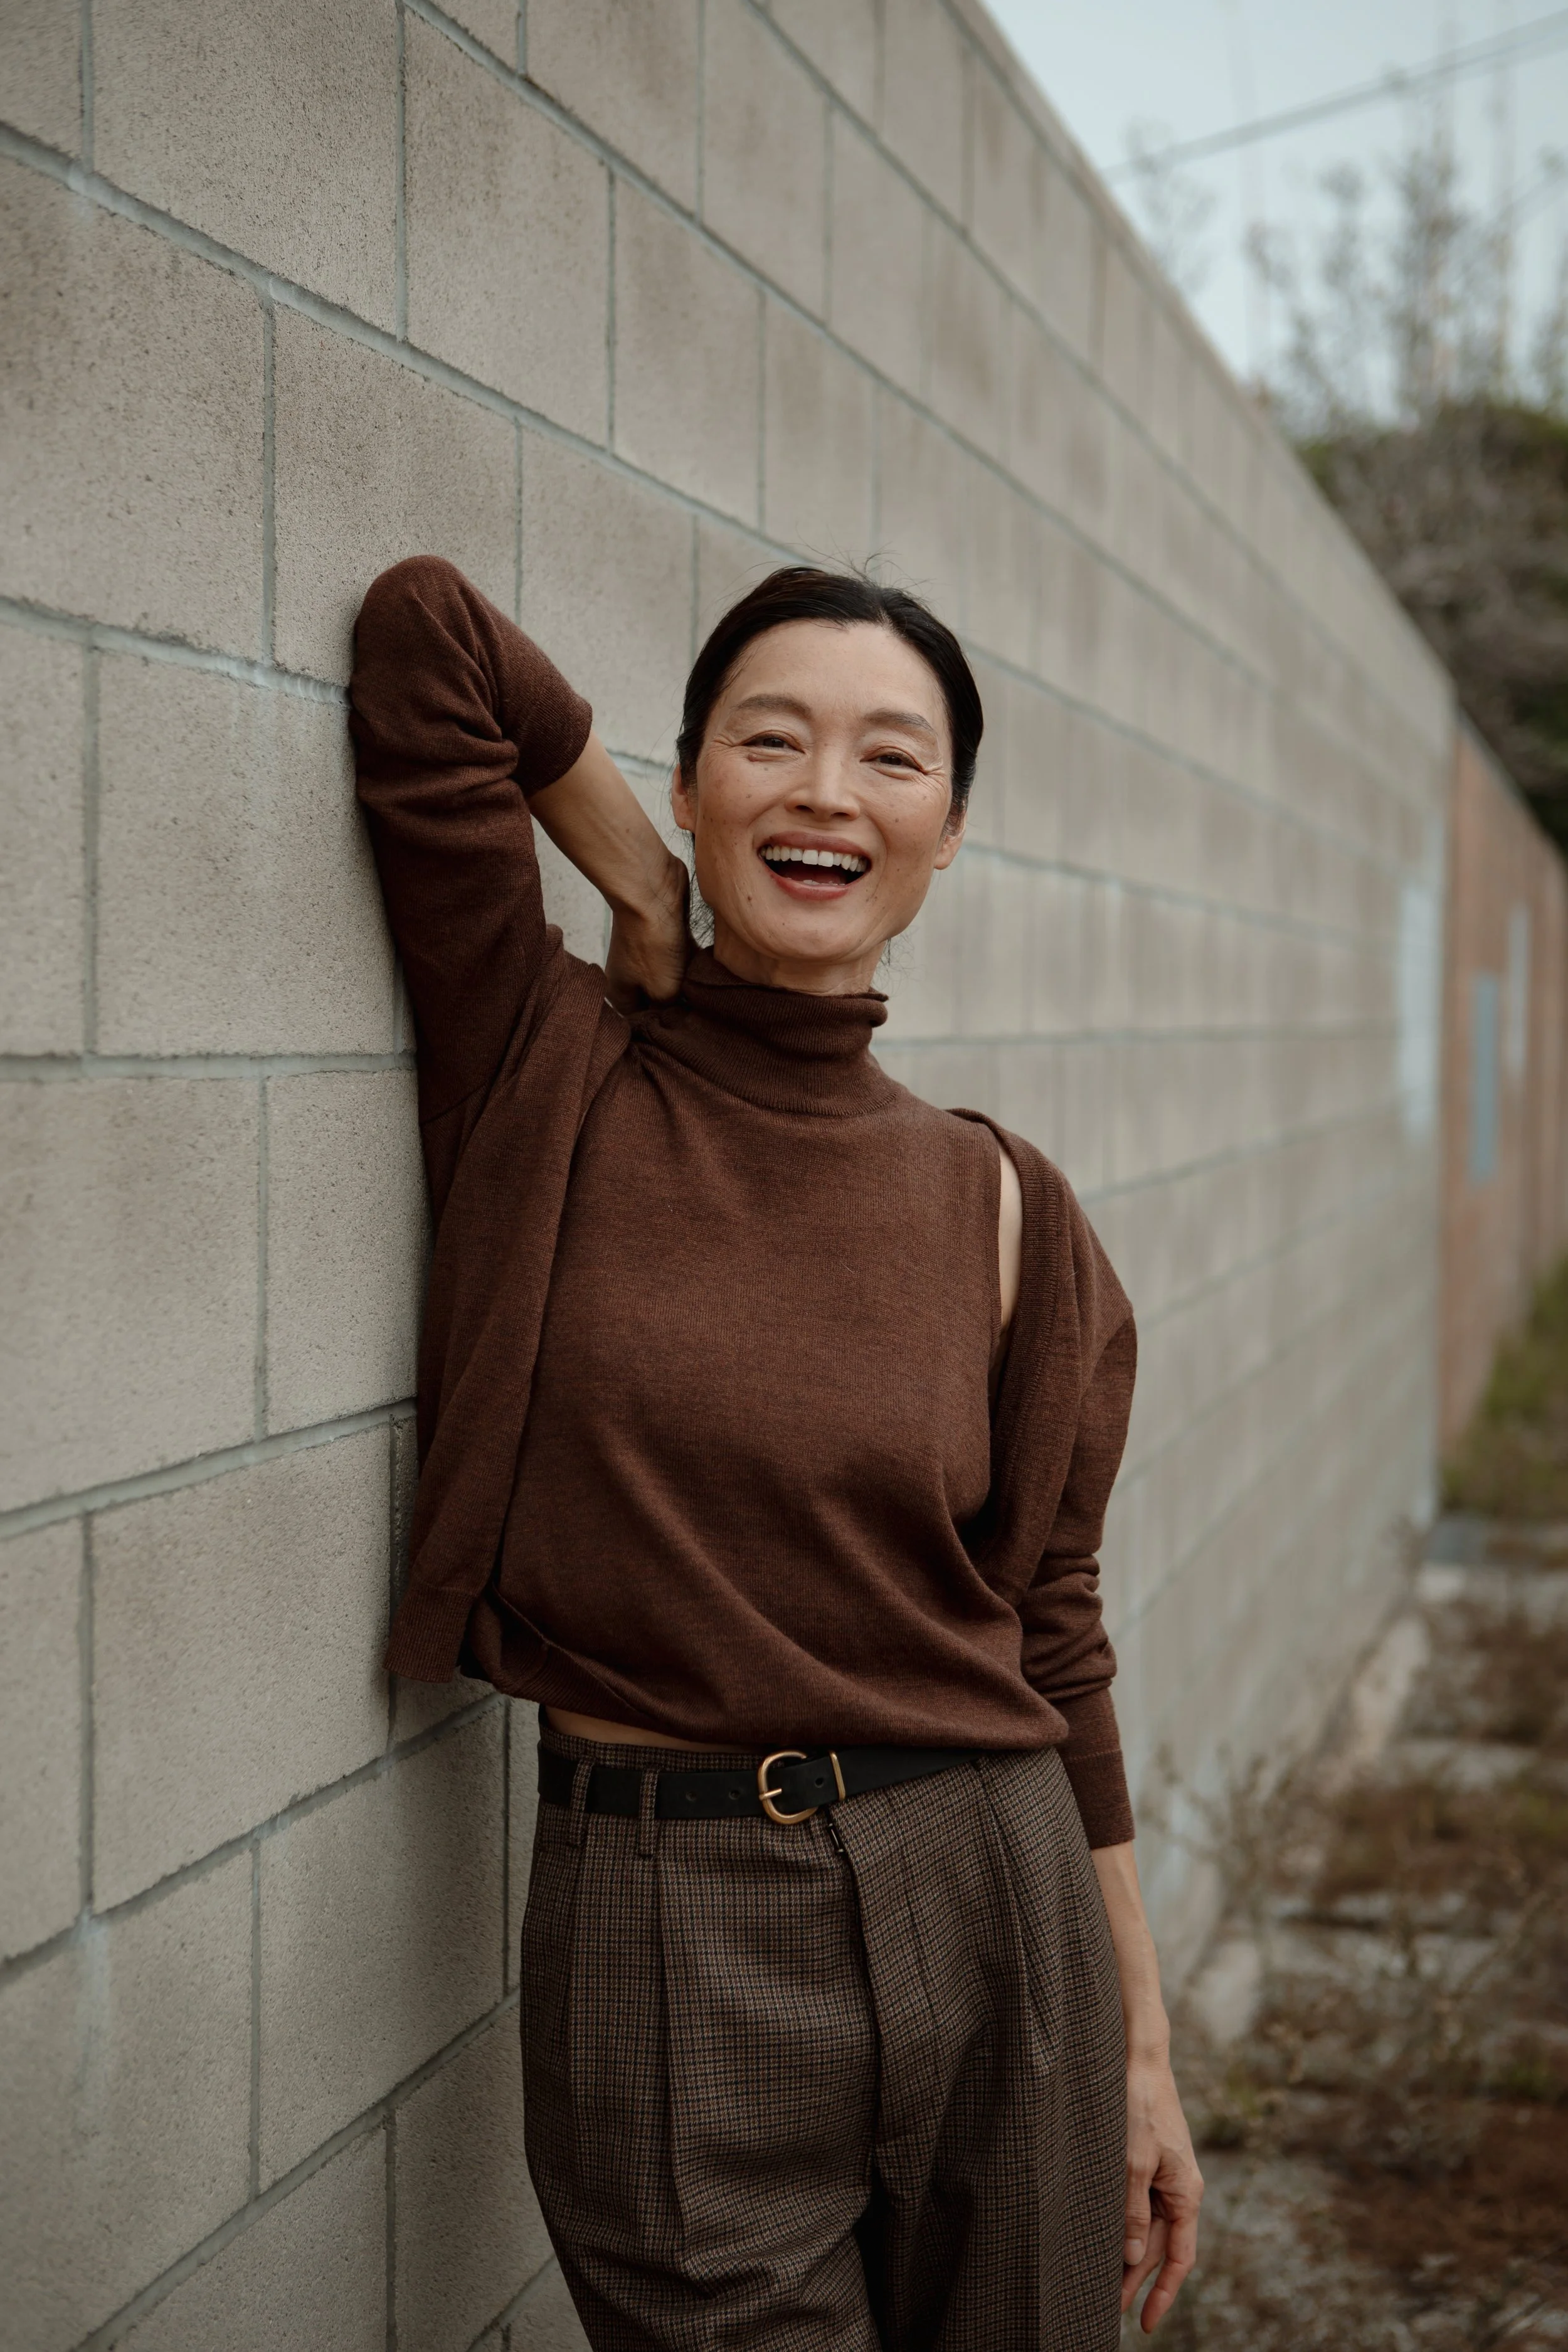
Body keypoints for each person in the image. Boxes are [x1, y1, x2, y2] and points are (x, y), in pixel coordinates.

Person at [349, 555, 1202, 2351]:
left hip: (996, 1901)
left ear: (950, 829)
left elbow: (1055, 1637)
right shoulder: (550, 1060)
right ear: (689, 779)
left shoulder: (1006, 1210)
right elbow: (431, 645)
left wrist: (1137, 2047)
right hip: (666, 1923)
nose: (827, 790)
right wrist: (634, 890)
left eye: (892, 759)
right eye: (771, 739)